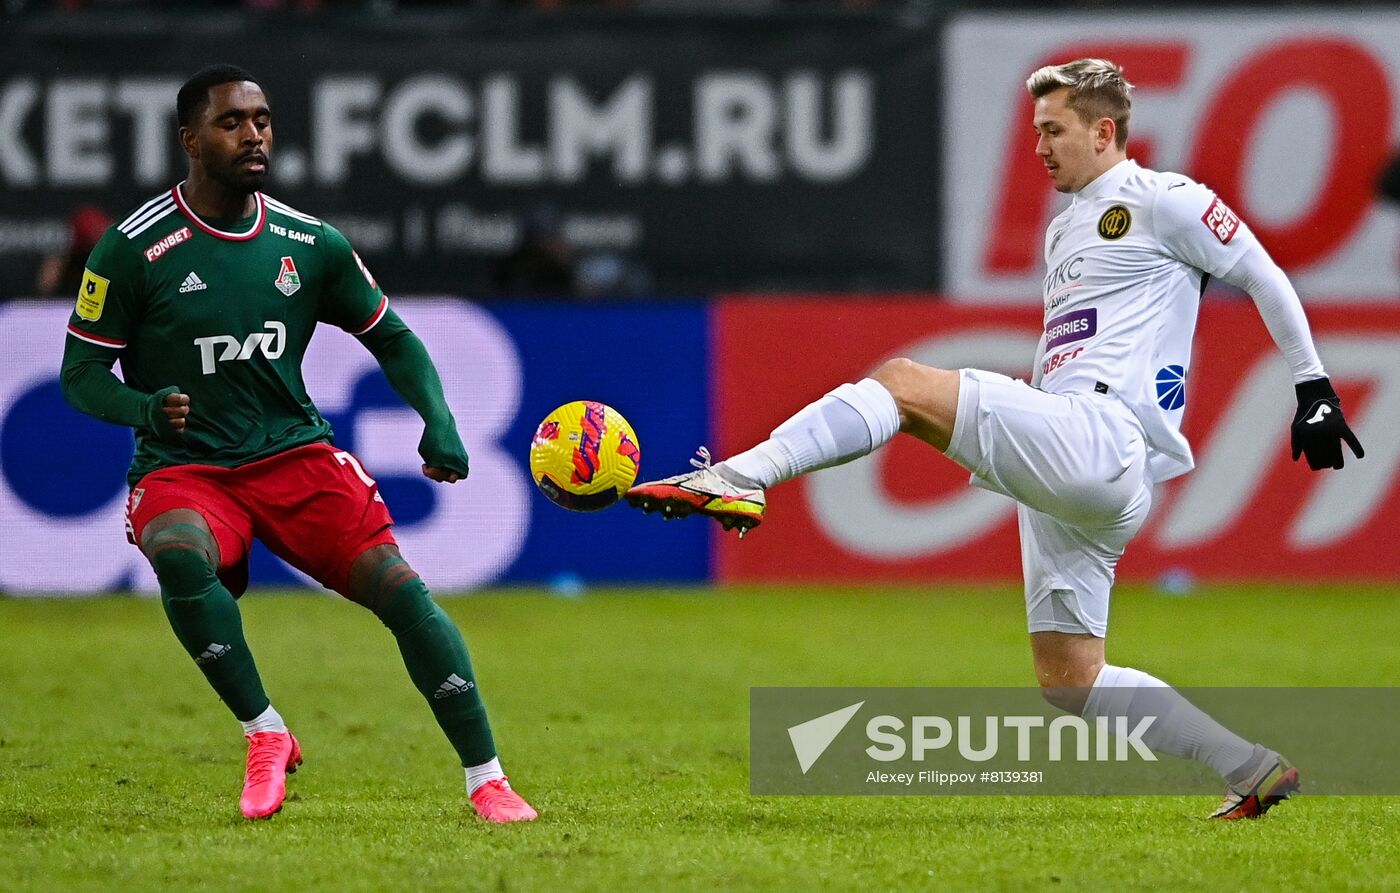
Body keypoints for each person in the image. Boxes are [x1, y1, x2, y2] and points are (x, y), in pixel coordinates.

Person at [628, 58, 1364, 819]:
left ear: (1103, 130)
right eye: (1035, 130)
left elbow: (1263, 272)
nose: (1039, 146)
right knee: (1070, 678)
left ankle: (744, 474)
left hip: (1102, 436)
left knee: (906, 383)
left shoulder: (1165, 199)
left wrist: (1313, 386)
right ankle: (1249, 766)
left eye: (1054, 130)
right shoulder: (1065, 228)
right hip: (1077, 464)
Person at [59, 65, 536, 823]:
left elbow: (394, 337)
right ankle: (266, 732)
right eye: (232, 122)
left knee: (402, 591)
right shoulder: (134, 248)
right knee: (179, 551)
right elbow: (80, 373)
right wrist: (144, 405)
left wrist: (438, 420)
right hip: (186, 468)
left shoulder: (308, 242)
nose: (254, 135)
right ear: (190, 140)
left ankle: (489, 779)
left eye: (263, 120)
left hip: (294, 455)